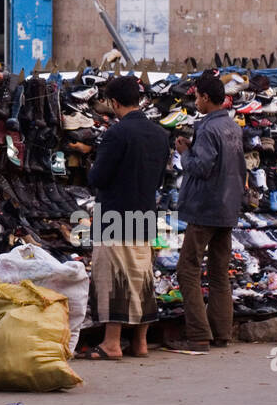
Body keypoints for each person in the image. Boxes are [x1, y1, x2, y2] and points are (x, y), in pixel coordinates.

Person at [78, 75, 170, 360]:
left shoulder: (116, 134)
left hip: (114, 213)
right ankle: (140, 343)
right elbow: (160, 178)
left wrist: (90, 160)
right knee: (141, 275)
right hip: (145, 211)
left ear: (114, 102)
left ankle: (112, 343)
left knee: (112, 276)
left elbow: (98, 177)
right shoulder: (159, 134)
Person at [170, 71, 245, 351]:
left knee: (187, 269)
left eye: (197, 97)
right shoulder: (232, 126)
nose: (196, 103)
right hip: (227, 207)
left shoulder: (207, 127)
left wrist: (184, 153)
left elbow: (201, 167)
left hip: (204, 208)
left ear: (204, 97)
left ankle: (199, 334)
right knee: (218, 271)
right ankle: (221, 332)